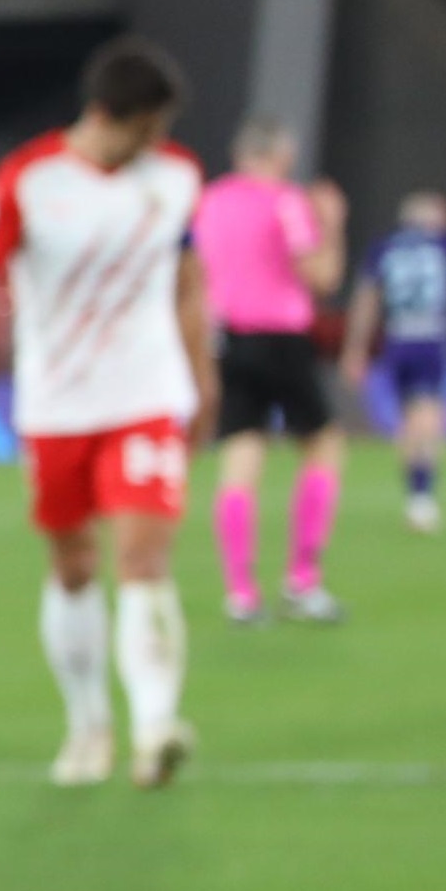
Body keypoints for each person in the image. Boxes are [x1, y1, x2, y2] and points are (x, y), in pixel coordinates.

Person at [0, 37, 210, 788]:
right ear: (114, 115)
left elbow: (187, 281)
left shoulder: (177, 177)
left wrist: (200, 372)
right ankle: (88, 725)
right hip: (55, 404)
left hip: (145, 396)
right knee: (73, 564)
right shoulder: (29, 178)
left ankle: (154, 729)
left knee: (143, 558)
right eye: (149, 125)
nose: (158, 140)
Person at [187, 120, 350, 622]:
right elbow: (320, 277)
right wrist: (333, 226)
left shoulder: (209, 202)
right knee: (322, 445)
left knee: (240, 457)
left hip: (228, 341)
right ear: (279, 153)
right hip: (281, 338)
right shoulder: (286, 201)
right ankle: (303, 580)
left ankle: (241, 592)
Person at [344, 193, 446, 533]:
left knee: (408, 420)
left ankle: (416, 495)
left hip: (398, 340)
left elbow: (366, 299)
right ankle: (422, 495)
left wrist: (355, 347)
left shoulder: (384, 248)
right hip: (434, 340)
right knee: (431, 416)